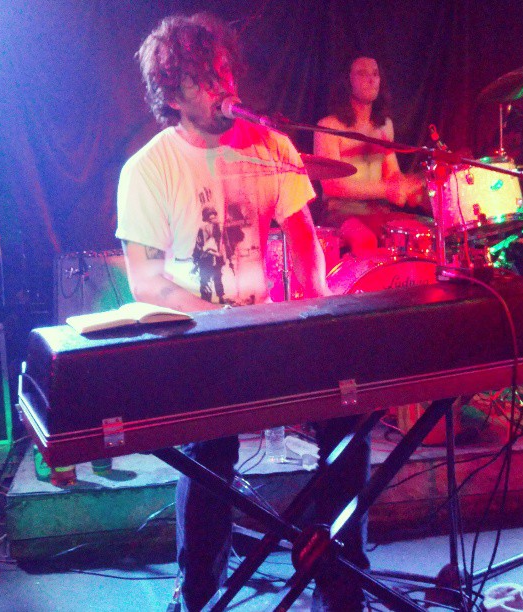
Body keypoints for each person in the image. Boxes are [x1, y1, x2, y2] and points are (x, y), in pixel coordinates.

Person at [116, 13, 367, 611]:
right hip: (198, 342)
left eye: (224, 70)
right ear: (172, 94)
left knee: (349, 421)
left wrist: (314, 313)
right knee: (210, 451)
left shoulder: (270, 145)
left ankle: (340, 583)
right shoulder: (149, 168)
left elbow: (302, 236)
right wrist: (223, 324)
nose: (222, 86)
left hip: (269, 334)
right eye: (203, 78)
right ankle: (198, 593)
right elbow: (146, 281)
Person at [314, 55, 431, 257]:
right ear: (347, 81)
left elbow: (392, 174)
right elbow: (332, 186)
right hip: (339, 213)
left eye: (375, 74)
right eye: (362, 73)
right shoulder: (328, 126)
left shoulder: (385, 126)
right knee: (365, 240)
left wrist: (412, 185)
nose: (371, 80)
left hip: (378, 211)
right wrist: (387, 190)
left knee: (425, 232)